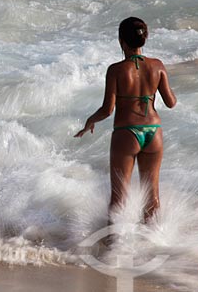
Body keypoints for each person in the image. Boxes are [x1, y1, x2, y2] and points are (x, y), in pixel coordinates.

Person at [75, 17, 177, 222]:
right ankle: (152, 247)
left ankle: (114, 249)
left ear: (121, 40)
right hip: (154, 132)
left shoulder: (116, 70)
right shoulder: (158, 66)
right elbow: (171, 102)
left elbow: (107, 109)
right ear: (144, 38)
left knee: (119, 199)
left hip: (127, 134)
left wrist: (90, 121)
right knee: (152, 197)